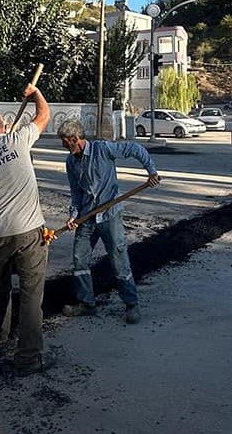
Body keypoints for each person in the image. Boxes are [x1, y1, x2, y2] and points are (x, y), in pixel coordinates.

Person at [0, 83, 55, 376]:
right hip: (28, 230)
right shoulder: (18, 141)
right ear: (5, 126)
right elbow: (44, 115)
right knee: (32, 293)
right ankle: (28, 358)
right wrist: (35, 92)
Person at [57, 119, 161, 324]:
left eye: (64, 141)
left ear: (75, 139)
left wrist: (151, 171)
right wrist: (73, 215)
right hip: (86, 217)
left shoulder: (103, 149)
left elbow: (134, 148)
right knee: (80, 258)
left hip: (109, 214)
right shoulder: (70, 162)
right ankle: (87, 303)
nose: (62, 145)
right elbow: (76, 193)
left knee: (118, 258)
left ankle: (131, 304)